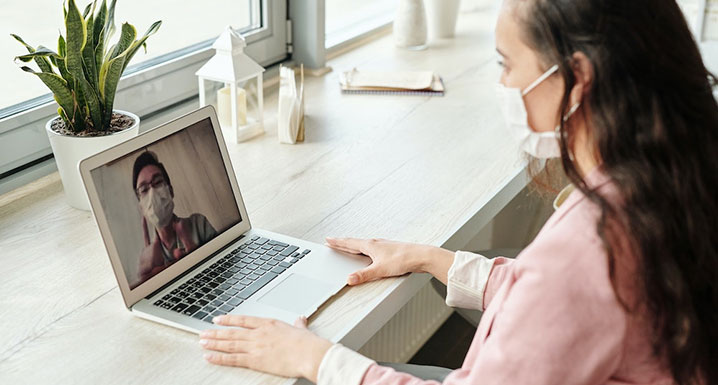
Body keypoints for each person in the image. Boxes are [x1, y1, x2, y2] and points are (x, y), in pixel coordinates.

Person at [196, 0, 718, 384]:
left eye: (507, 65)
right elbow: (565, 306)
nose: (505, 86)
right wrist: (430, 259)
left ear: (576, 80)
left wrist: (314, 358)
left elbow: (566, 287)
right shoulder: (668, 178)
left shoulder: (591, 244)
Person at [133, 151, 217, 285]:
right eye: (144, 190)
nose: (153, 193)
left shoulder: (198, 224)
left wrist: (198, 261)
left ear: (170, 191)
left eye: (158, 182)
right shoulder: (147, 260)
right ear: (141, 207)